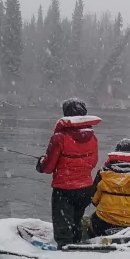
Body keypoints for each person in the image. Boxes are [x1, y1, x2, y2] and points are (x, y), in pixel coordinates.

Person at [36, 98, 101, 248]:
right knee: (76, 225)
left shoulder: (59, 138)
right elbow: (92, 163)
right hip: (85, 189)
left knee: (63, 231)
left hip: (64, 190)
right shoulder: (92, 137)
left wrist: (40, 164)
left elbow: (48, 167)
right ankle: (77, 250)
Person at [89, 138, 130, 237]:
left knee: (88, 222)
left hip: (103, 222)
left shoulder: (103, 174)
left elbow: (93, 200)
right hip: (128, 224)